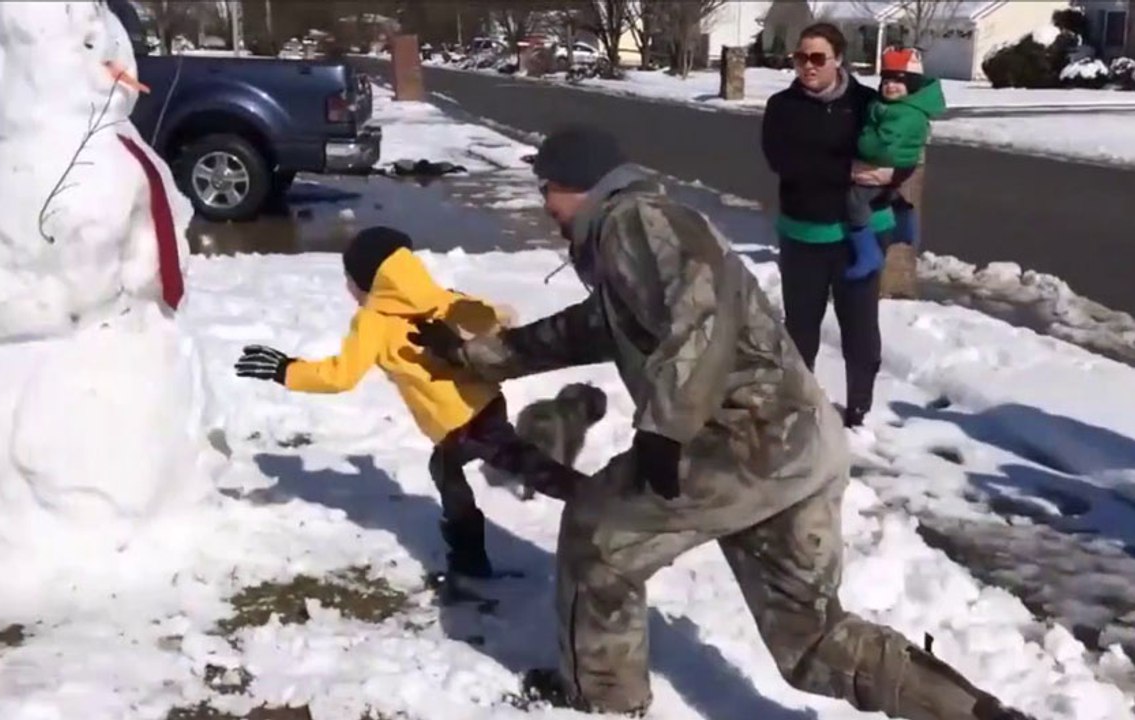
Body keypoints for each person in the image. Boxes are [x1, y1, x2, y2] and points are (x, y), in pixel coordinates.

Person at [408, 125, 1032, 720]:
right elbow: (579, 331)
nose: (543, 201)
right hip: (798, 447)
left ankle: (603, 702)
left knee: (598, 535)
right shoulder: (633, 249)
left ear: (583, 184)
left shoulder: (639, 222)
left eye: (547, 186)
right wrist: (471, 353)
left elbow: (698, 313)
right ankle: (975, 714)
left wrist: (664, 428)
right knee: (813, 642)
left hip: (736, 441)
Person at [234, 226, 583, 578]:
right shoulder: (437, 298)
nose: (348, 288)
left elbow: (339, 375)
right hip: (486, 403)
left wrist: (286, 370)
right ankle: (474, 555)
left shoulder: (373, 322)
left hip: (458, 423)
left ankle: (588, 496)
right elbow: (491, 316)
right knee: (456, 467)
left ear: (371, 280)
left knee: (514, 462)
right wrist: (486, 318)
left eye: (351, 280)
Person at [761, 22, 894, 429]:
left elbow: (899, 150)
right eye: (800, 58)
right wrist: (851, 169)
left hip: (861, 235)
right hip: (803, 233)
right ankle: (800, 406)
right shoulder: (783, 106)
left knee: (859, 327)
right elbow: (785, 163)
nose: (807, 66)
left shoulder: (867, 103)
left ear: (838, 59)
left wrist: (892, 174)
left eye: (817, 58)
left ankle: (859, 410)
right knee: (800, 327)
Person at [845, 47, 947, 278]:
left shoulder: (906, 114)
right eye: (886, 81)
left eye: (898, 82)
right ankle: (904, 223)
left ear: (911, 85)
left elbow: (884, 145)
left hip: (890, 161)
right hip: (898, 164)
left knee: (854, 201)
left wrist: (860, 143)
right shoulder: (895, 106)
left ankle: (867, 253)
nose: (890, 86)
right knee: (888, 193)